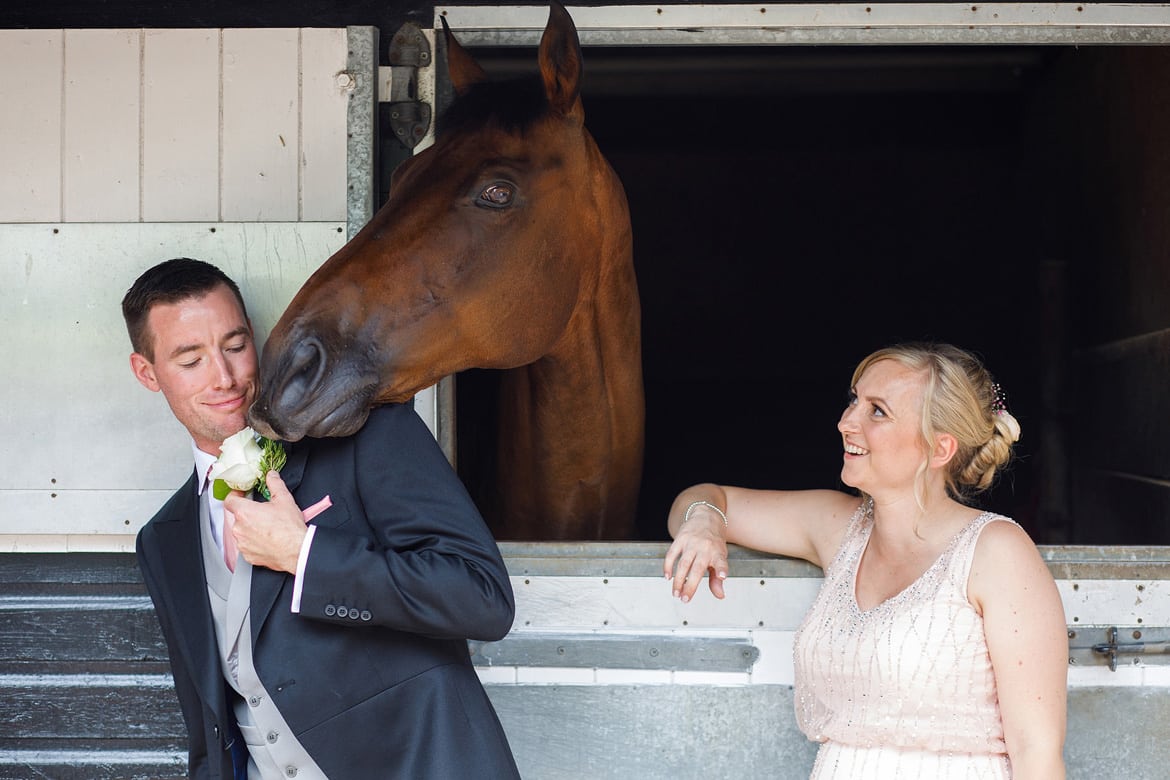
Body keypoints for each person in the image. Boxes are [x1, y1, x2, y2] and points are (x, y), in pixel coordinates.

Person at [123, 258, 520, 779]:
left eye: (236, 346)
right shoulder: (162, 538)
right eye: (190, 359)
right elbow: (210, 729)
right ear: (147, 373)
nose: (225, 377)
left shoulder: (365, 438)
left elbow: (483, 599)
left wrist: (303, 555)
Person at [663, 343, 1067, 779]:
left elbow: (1036, 753)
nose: (845, 422)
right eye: (854, 400)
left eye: (877, 412)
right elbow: (701, 497)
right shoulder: (838, 528)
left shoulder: (996, 551)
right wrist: (703, 521)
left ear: (939, 450)